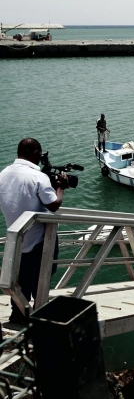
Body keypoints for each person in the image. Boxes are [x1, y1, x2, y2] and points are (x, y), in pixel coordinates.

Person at [0, 138, 65, 325]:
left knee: (20, 279)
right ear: (35, 153)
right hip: (40, 239)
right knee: (42, 276)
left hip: (16, 238)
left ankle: (18, 314)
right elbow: (53, 205)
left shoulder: (3, 174)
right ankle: (40, 314)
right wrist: (60, 188)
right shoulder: (38, 177)